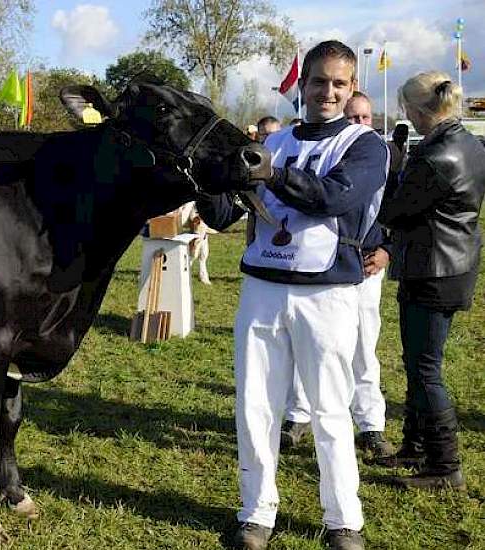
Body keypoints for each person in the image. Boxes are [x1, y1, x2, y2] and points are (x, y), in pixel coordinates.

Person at [198, 40, 389, 550]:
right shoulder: (274, 141)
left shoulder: (365, 145)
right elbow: (223, 216)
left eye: (339, 83)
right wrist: (202, 176)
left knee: (329, 409)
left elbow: (333, 197)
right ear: (301, 85)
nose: (327, 91)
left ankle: (342, 519)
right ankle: (256, 512)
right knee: (254, 406)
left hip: (326, 294)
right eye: (319, 81)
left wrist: (269, 173)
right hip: (262, 288)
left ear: (351, 89)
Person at [377, 71, 485, 490]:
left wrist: (395, 167)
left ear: (419, 110)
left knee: (425, 368)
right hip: (454, 262)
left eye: (406, 108)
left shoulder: (435, 155)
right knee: (420, 363)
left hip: (433, 268)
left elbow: (394, 211)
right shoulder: (470, 144)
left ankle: (445, 465)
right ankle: (416, 445)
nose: (405, 114)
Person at [280, 91, 394, 461]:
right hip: (324, 265)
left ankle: (370, 422)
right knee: (307, 344)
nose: (361, 124)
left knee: (362, 345)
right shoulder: (325, 152)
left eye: (366, 118)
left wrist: (388, 249)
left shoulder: (381, 154)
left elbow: (397, 209)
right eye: (354, 117)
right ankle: (297, 415)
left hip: (366, 262)